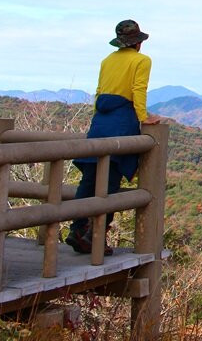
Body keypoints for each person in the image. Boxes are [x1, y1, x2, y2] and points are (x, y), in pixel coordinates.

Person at [65, 19, 155, 254]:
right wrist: (143, 117)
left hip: (100, 122)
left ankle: (76, 229)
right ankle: (93, 237)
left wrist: (98, 118)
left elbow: (98, 92)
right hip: (121, 122)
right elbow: (138, 90)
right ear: (138, 43)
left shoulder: (107, 60)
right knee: (110, 182)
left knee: (89, 178)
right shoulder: (142, 60)